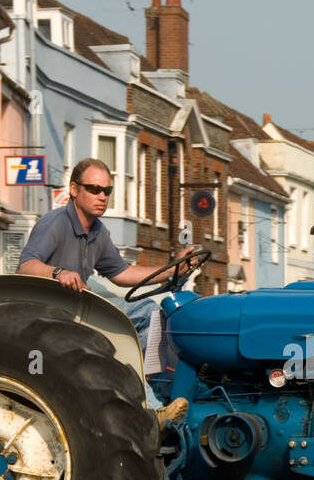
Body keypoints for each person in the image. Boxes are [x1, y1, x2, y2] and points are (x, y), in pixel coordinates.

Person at [18, 157, 192, 427]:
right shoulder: (56, 223)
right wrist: (58, 273)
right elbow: (26, 266)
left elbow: (122, 274)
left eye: (107, 191)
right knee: (119, 335)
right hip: (54, 316)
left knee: (148, 312)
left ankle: (145, 385)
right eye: (94, 189)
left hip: (81, 309)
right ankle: (149, 410)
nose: (102, 196)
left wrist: (172, 270)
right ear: (74, 190)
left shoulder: (98, 232)